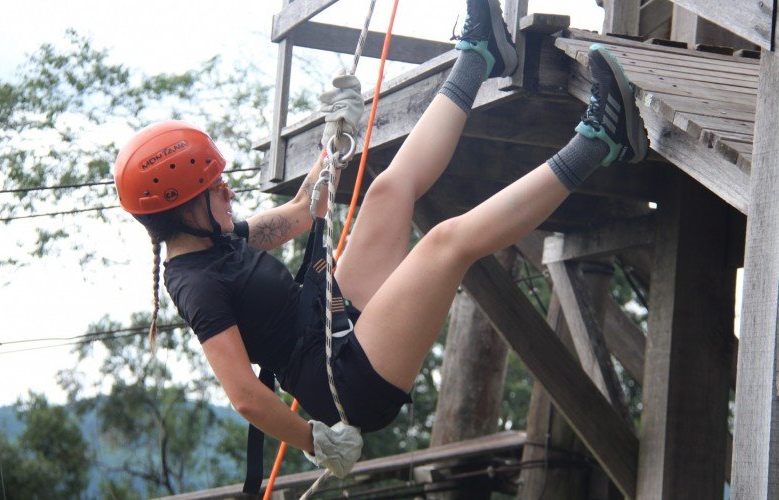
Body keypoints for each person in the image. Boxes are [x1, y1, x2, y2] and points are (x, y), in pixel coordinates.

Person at [113, 0, 648, 483]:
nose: (228, 192)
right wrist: (314, 441)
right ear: (183, 209)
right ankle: (602, 138)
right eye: (214, 188)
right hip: (347, 381)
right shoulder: (197, 286)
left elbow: (306, 210)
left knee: (389, 189)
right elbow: (245, 397)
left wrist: (335, 135)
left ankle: (479, 56)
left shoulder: (218, 240)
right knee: (445, 243)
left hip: (332, 318)